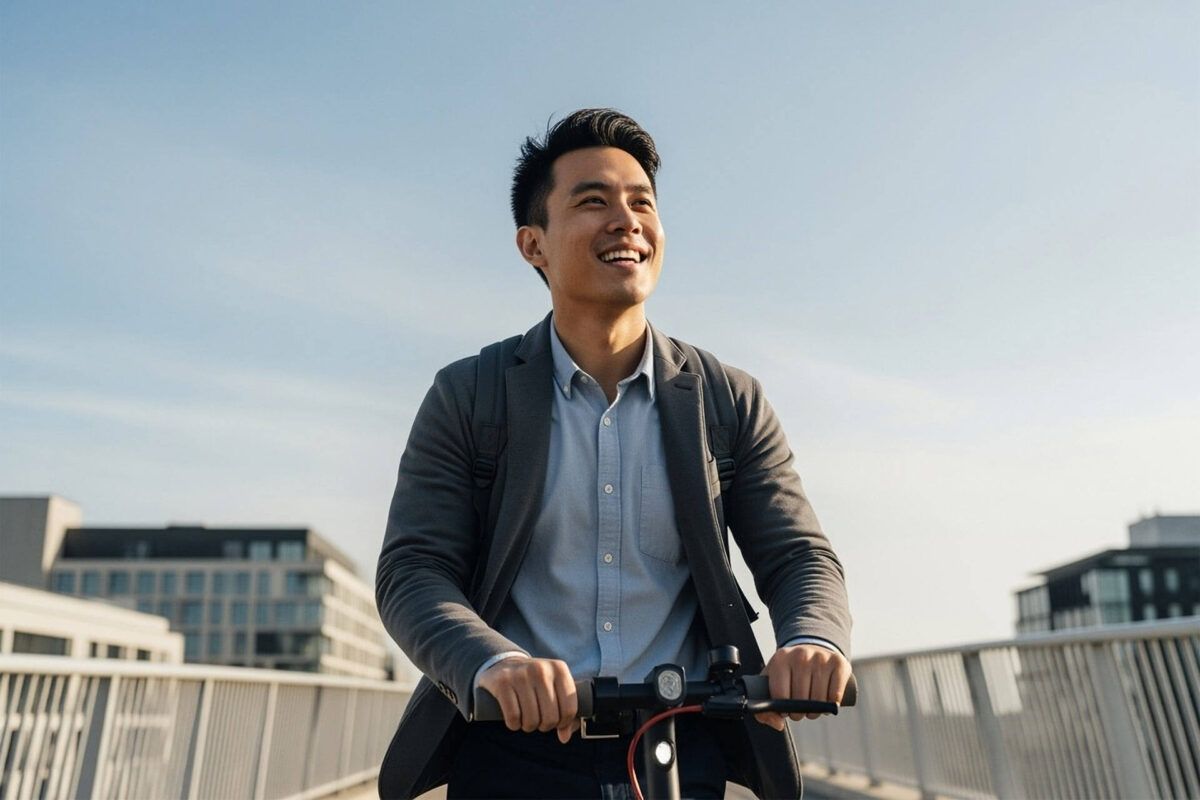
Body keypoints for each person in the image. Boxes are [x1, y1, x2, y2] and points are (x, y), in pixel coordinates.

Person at [375, 108, 852, 799]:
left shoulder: (728, 399)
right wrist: (493, 663)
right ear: (532, 245)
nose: (626, 220)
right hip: (511, 753)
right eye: (593, 201)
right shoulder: (467, 396)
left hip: (684, 747)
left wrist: (814, 639)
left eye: (641, 203)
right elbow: (414, 571)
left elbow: (798, 555)